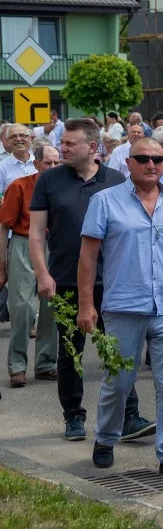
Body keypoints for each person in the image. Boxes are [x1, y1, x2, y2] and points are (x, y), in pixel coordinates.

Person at [29, 118, 154, 441]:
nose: (63, 148)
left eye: (70, 144)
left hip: (112, 281)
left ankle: (129, 416)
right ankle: (73, 416)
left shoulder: (115, 180)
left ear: (93, 148)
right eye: (63, 142)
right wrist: (42, 274)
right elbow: (36, 233)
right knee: (71, 352)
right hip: (66, 280)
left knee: (119, 352)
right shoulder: (49, 180)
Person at [78, 137, 163, 476]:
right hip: (124, 305)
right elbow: (88, 257)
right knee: (119, 380)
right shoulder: (105, 201)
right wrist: (87, 304)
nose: (151, 165)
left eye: (157, 159)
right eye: (142, 158)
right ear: (127, 163)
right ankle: (105, 437)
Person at [0, 140, 59, 387]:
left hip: (54, 245)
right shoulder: (20, 186)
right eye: (49, 163)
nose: (54, 166)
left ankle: (46, 363)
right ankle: (17, 365)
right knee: (22, 307)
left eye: (58, 162)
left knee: (52, 307)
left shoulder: (66, 186)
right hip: (23, 244)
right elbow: (4, 225)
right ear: (36, 164)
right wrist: (2, 262)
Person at [0, 125, 36, 196]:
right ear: (8, 141)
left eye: (22, 135)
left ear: (30, 139)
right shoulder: (1, 167)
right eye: (13, 136)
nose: (18, 139)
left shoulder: (39, 162)